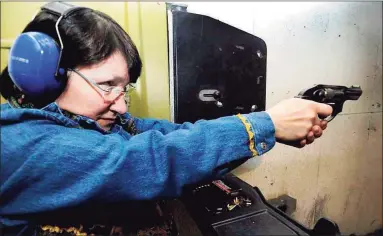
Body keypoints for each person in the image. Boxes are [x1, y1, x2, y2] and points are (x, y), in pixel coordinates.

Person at [0, 2, 332, 234]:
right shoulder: (19, 144)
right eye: (106, 86)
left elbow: (168, 135)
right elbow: (145, 161)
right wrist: (268, 124)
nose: (121, 107)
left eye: (124, 89)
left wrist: (271, 124)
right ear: (50, 76)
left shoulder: (87, 122)